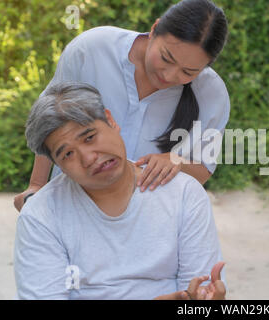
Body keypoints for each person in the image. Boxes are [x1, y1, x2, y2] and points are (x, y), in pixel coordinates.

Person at [14, 82, 226, 300]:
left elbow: (200, 290)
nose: (88, 158)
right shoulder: (40, 216)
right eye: (67, 154)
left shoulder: (183, 194)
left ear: (111, 121)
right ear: (57, 164)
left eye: (89, 137)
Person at [14, 0, 230, 212]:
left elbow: (204, 168)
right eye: (166, 58)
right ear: (155, 29)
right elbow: (51, 120)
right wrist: (37, 186)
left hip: (150, 220)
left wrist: (175, 162)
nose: (169, 75)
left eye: (188, 72)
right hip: (71, 208)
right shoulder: (93, 50)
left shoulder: (211, 94)